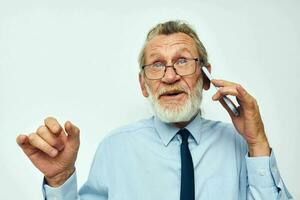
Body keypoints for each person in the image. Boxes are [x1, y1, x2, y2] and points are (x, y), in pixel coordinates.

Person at [16, 20, 293, 200]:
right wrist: (60, 179)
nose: (170, 76)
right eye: (157, 65)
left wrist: (257, 143)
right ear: (143, 84)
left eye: (182, 61)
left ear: (205, 77)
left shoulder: (238, 145)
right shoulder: (116, 149)